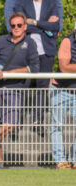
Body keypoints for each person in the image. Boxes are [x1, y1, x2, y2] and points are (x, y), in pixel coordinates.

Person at [0, 12, 39, 169]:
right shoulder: (1, 40)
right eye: (13, 26)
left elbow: (33, 68)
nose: (16, 28)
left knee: (10, 124)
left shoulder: (30, 43)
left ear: (25, 27)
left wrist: (8, 74)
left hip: (15, 88)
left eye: (19, 25)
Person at [15, 0, 60, 135]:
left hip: (46, 52)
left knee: (42, 86)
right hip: (26, 50)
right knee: (22, 85)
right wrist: (46, 26)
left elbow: (56, 27)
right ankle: (18, 121)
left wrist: (33, 22)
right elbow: (21, 27)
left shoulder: (52, 4)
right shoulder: (21, 3)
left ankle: (37, 122)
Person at [49, 22, 76, 169]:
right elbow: (64, 67)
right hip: (60, 89)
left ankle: (75, 159)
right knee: (57, 125)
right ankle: (60, 160)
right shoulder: (68, 41)